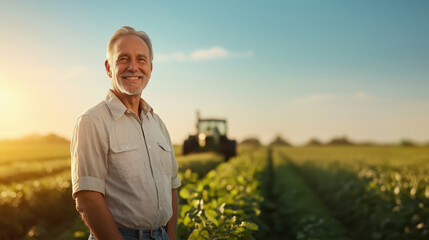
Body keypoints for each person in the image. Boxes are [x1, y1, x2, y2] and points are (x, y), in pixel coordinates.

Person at [71, 26, 181, 240]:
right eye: (123, 59)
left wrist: (171, 235)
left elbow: (172, 187)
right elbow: (88, 199)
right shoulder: (92, 121)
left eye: (141, 59)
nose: (133, 67)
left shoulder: (158, 124)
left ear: (150, 67)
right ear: (108, 68)